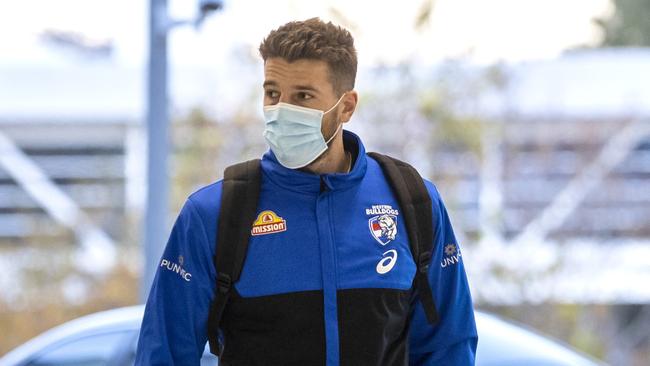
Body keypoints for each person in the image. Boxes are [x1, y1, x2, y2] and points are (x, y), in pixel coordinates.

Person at [135, 17, 477, 366]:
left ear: (346, 106)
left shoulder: (413, 202)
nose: (282, 110)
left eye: (303, 96)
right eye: (272, 93)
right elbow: (163, 353)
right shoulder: (215, 213)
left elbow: (449, 344)